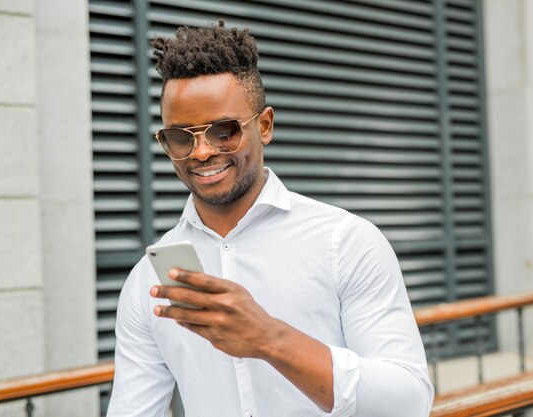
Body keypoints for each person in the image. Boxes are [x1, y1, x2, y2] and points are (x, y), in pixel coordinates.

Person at [107, 21, 433, 417]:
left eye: (223, 131)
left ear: (264, 126)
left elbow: (408, 402)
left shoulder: (345, 242)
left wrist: (270, 339)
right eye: (181, 137)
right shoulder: (148, 280)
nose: (202, 152)